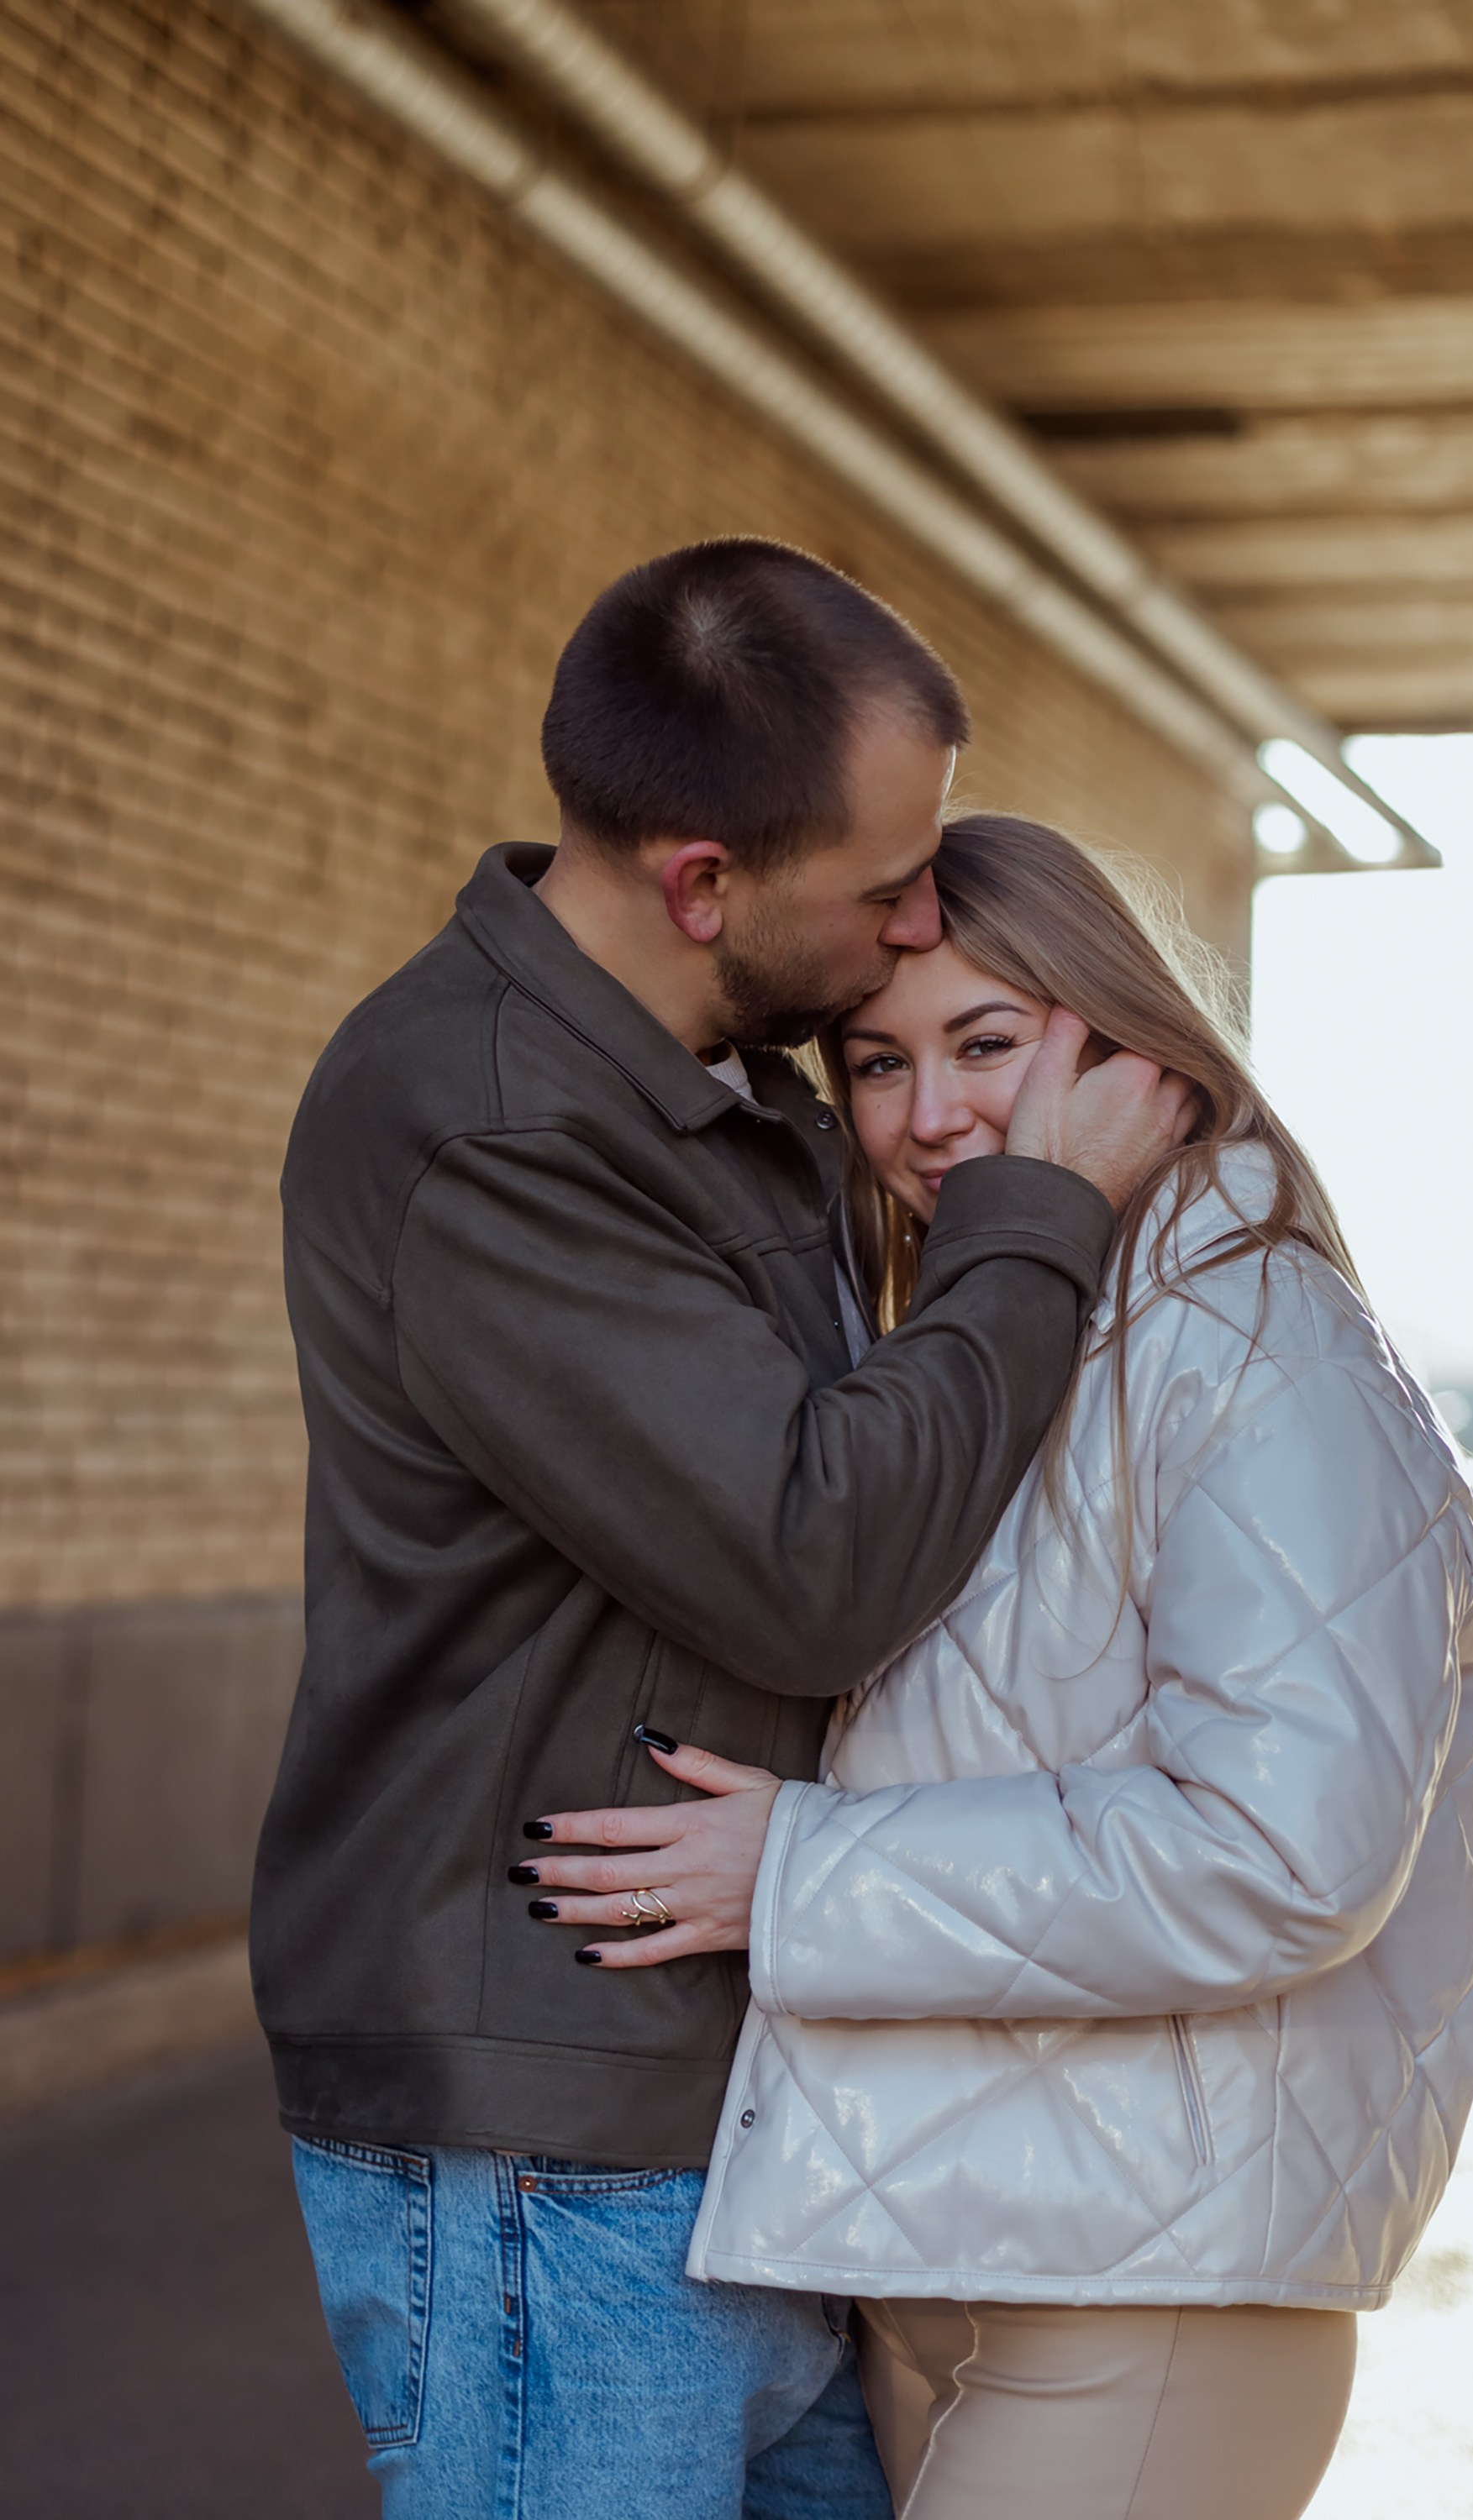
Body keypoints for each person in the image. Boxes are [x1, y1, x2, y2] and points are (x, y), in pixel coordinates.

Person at [255, 549, 1192, 2519]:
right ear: (704, 886)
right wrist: (1042, 1221)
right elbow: (806, 1553)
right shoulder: (492, 1125)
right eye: (884, 886)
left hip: (729, 2106)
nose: (919, 915)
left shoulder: (706, 1083)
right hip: (546, 2145)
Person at [525, 814, 1473, 2519]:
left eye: (988, 1044)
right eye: (876, 1064)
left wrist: (800, 1870)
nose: (929, 1118)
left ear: (1139, 1053)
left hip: (1157, 2298)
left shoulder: (1254, 1344)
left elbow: (1281, 1856)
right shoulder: (1030, 1342)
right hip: (974, 2255)